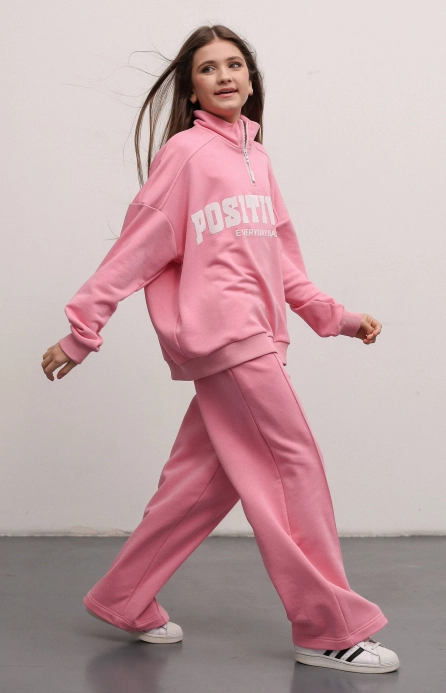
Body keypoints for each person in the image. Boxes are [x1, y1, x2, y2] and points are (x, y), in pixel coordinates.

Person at [41, 24, 399, 674]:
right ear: (192, 89)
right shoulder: (185, 154)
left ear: (251, 79)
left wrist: (337, 317)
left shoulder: (258, 160)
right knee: (293, 470)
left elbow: (280, 261)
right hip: (229, 338)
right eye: (209, 68)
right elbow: (138, 244)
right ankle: (326, 629)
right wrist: (82, 328)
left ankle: (124, 596)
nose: (225, 75)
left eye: (235, 64)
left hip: (259, 336)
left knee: (199, 483)